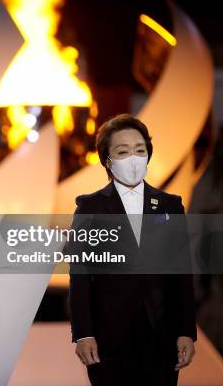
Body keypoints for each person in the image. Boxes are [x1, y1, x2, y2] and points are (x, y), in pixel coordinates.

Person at [68, 114, 196, 386]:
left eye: (140, 150)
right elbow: (80, 276)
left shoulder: (170, 205)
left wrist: (187, 331)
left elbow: (182, 273)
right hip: (108, 339)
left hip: (162, 337)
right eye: (123, 151)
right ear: (107, 161)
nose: (134, 158)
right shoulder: (90, 208)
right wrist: (83, 333)